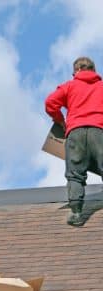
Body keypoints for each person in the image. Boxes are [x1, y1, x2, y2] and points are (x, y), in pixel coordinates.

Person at [45, 57, 103, 226]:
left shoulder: (69, 86)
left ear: (77, 71)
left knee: (75, 175)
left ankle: (76, 213)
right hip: (99, 132)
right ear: (93, 70)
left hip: (75, 132)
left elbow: (50, 102)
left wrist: (60, 120)